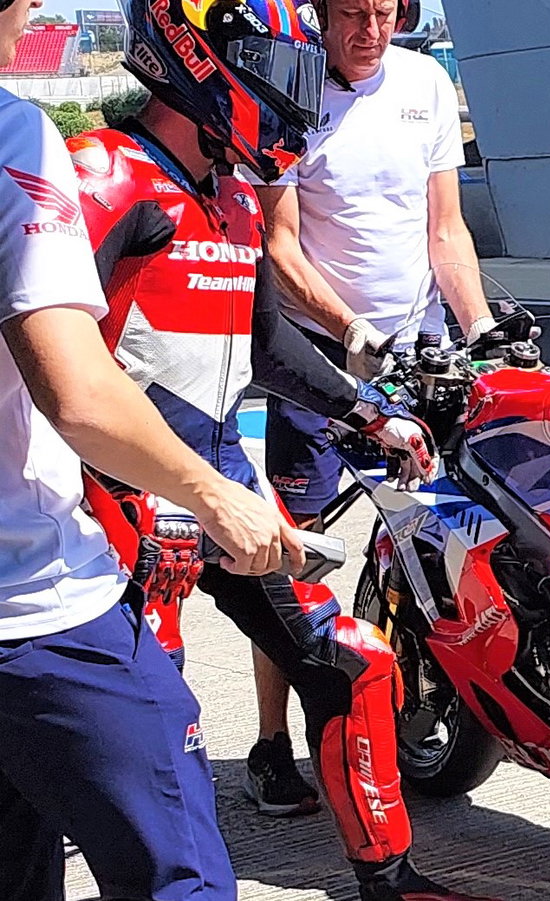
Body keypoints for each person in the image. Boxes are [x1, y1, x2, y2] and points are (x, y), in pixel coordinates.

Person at [72, 1, 494, 899]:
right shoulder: (106, 177)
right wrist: (111, 507)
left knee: (355, 660)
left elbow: (267, 344)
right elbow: (38, 368)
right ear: (198, 53)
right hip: (117, 518)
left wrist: (369, 411)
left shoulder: (228, 198)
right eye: (281, 66)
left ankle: (390, 879)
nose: (297, 94)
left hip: (225, 496)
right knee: (163, 724)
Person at [0, 0, 298, 895]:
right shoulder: (71, 155)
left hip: (163, 488)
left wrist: (371, 386)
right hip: (72, 561)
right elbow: (78, 390)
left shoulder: (235, 194)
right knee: (179, 871)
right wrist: (209, 493)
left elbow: (267, 335)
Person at [244, 0, 498, 807]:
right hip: (319, 361)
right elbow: (279, 246)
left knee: (454, 529)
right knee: (296, 552)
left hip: (417, 355)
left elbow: (445, 230)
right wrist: (350, 330)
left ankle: (433, 697)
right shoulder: (288, 91)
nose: (372, 30)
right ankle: (271, 743)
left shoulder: (424, 81)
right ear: (319, 14)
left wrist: (481, 327)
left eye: (386, 11)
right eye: (352, 12)